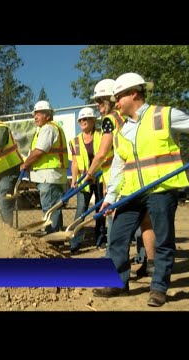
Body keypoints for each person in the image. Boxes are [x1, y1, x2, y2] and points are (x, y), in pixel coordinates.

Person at [92, 72, 189, 307]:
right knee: (117, 236)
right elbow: (118, 167)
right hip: (131, 192)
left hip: (161, 189)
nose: (115, 103)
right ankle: (118, 283)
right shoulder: (122, 130)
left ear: (133, 93)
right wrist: (110, 197)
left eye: (119, 97)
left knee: (163, 240)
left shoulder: (164, 115)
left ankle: (158, 288)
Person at [83, 79, 156, 270]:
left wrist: (89, 174)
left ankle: (113, 263)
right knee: (145, 220)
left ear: (110, 99)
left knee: (116, 223)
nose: (98, 105)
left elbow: (102, 152)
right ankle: (150, 262)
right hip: (138, 174)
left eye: (100, 100)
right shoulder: (130, 117)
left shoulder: (110, 120)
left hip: (119, 177)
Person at [20, 100, 68, 234]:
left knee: (50, 208)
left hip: (48, 177)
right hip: (51, 176)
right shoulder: (50, 128)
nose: (35, 116)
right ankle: (55, 235)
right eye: (34, 114)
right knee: (53, 208)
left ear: (47, 115)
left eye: (38, 113)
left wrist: (25, 164)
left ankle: (53, 237)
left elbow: (39, 151)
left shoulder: (48, 128)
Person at [68, 107, 105, 253]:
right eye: (80, 120)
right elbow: (75, 162)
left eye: (86, 119)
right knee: (80, 211)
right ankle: (75, 242)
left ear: (93, 120)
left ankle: (101, 240)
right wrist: (74, 180)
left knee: (101, 209)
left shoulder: (102, 136)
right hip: (84, 180)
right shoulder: (75, 141)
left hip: (101, 177)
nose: (82, 121)